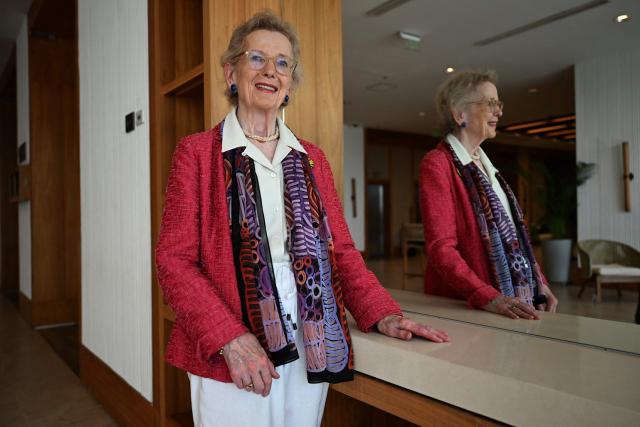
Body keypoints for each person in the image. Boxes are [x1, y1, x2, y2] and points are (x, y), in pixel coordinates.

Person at [156, 10, 449, 427]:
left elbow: (342, 252)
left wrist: (383, 312)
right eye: (256, 58)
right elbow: (174, 260)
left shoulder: (312, 159)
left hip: (311, 334)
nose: (270, 71)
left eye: (282, 63)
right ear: (231, 73)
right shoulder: (198, 153)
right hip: (233, 336)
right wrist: (228, 338)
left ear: (290, 82)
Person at [419, 69, 558, 320]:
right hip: (468, 308)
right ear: (460, 113)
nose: (499, 111)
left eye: (498, 103)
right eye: (490, 103)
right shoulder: (437, 164)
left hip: (512, 302)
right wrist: (487, 296)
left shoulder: (488, 168)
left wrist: (540, 282)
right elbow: (441, 249)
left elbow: (517, 237)